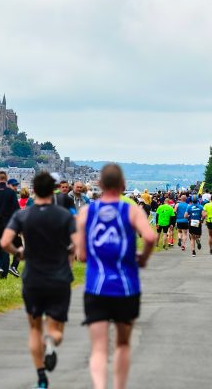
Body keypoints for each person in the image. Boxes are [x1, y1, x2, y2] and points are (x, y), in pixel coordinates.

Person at [75, 163, 156, 389]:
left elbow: (80, 255)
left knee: (99, 348)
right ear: (123, 186)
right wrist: (143, 258)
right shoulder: (130, 210)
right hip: (126, 286)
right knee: (122, 344)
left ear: (100, 185)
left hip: (96, 287)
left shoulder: (85, 212)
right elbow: (150, 237)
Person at [0, 172, 77, 389]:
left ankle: (41, 378)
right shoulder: (64, 216)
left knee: (34, 328)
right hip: (59, 277)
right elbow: (77, 243)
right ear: (54, 190)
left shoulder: (23, 215)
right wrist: (69, 250)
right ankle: (51, 342)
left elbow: (5, 241)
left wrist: (19, 252)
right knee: (56, 329)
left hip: (33, 277)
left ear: (33, 190)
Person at [0, 171, 20, 279]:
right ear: (6, 179)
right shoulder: (10, 192)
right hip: (8, 224)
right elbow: (16, 210)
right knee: (5, 249)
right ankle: (4, 273)